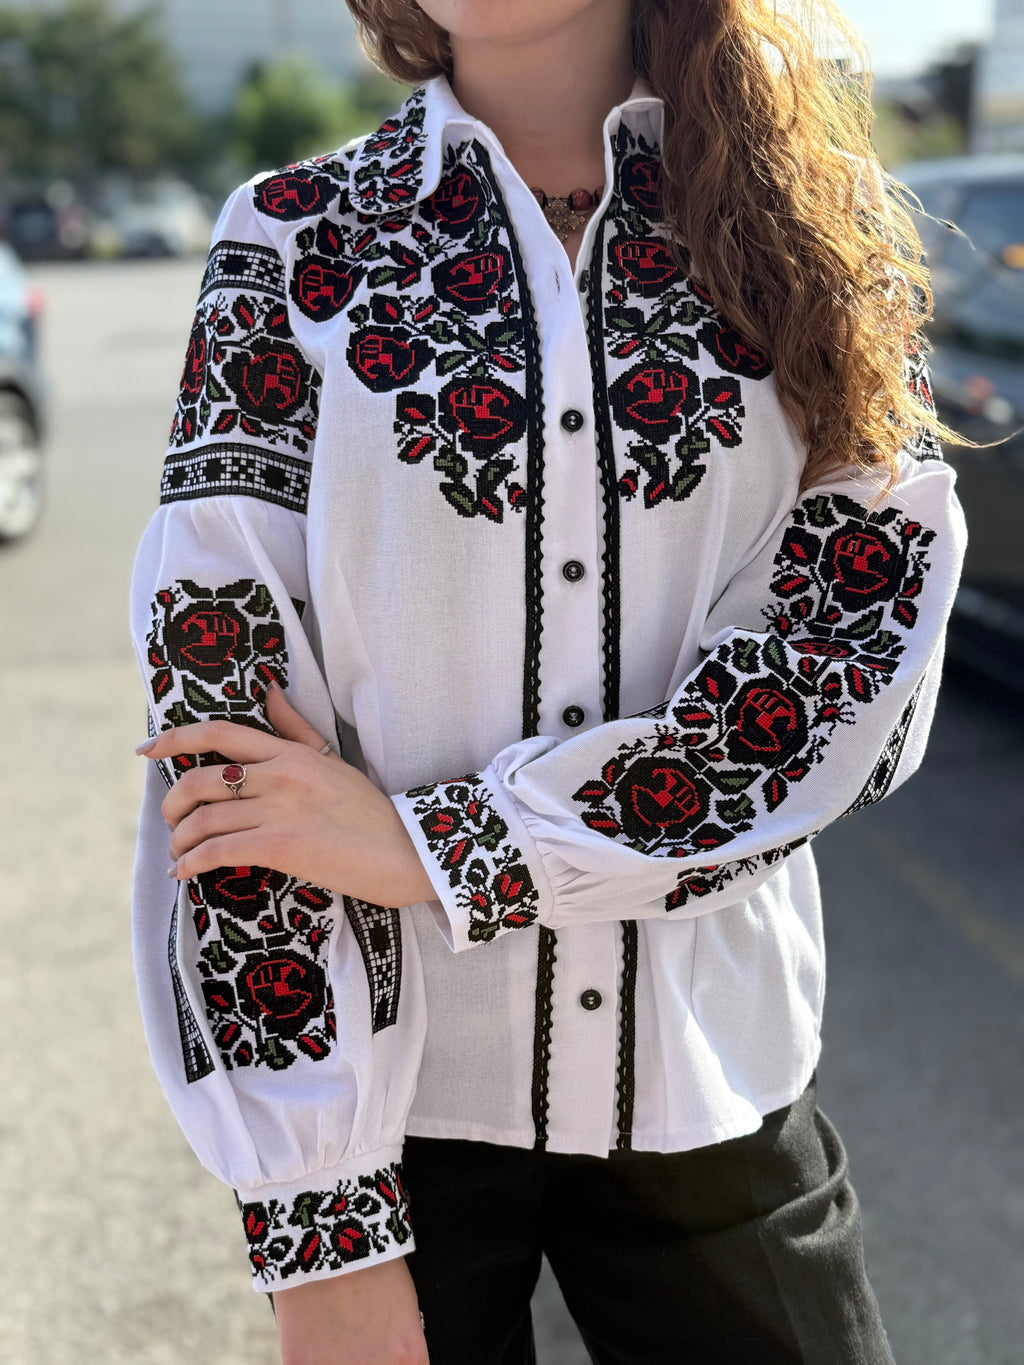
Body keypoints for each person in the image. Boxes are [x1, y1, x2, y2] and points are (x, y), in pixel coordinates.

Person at [129, 0, 967, 1361]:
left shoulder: (821, 229)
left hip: (710, 1093)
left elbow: (848, 667)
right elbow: (217, 712)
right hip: (396, 1134)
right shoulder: (294, 242)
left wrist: (446, 845)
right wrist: (315, 1224)